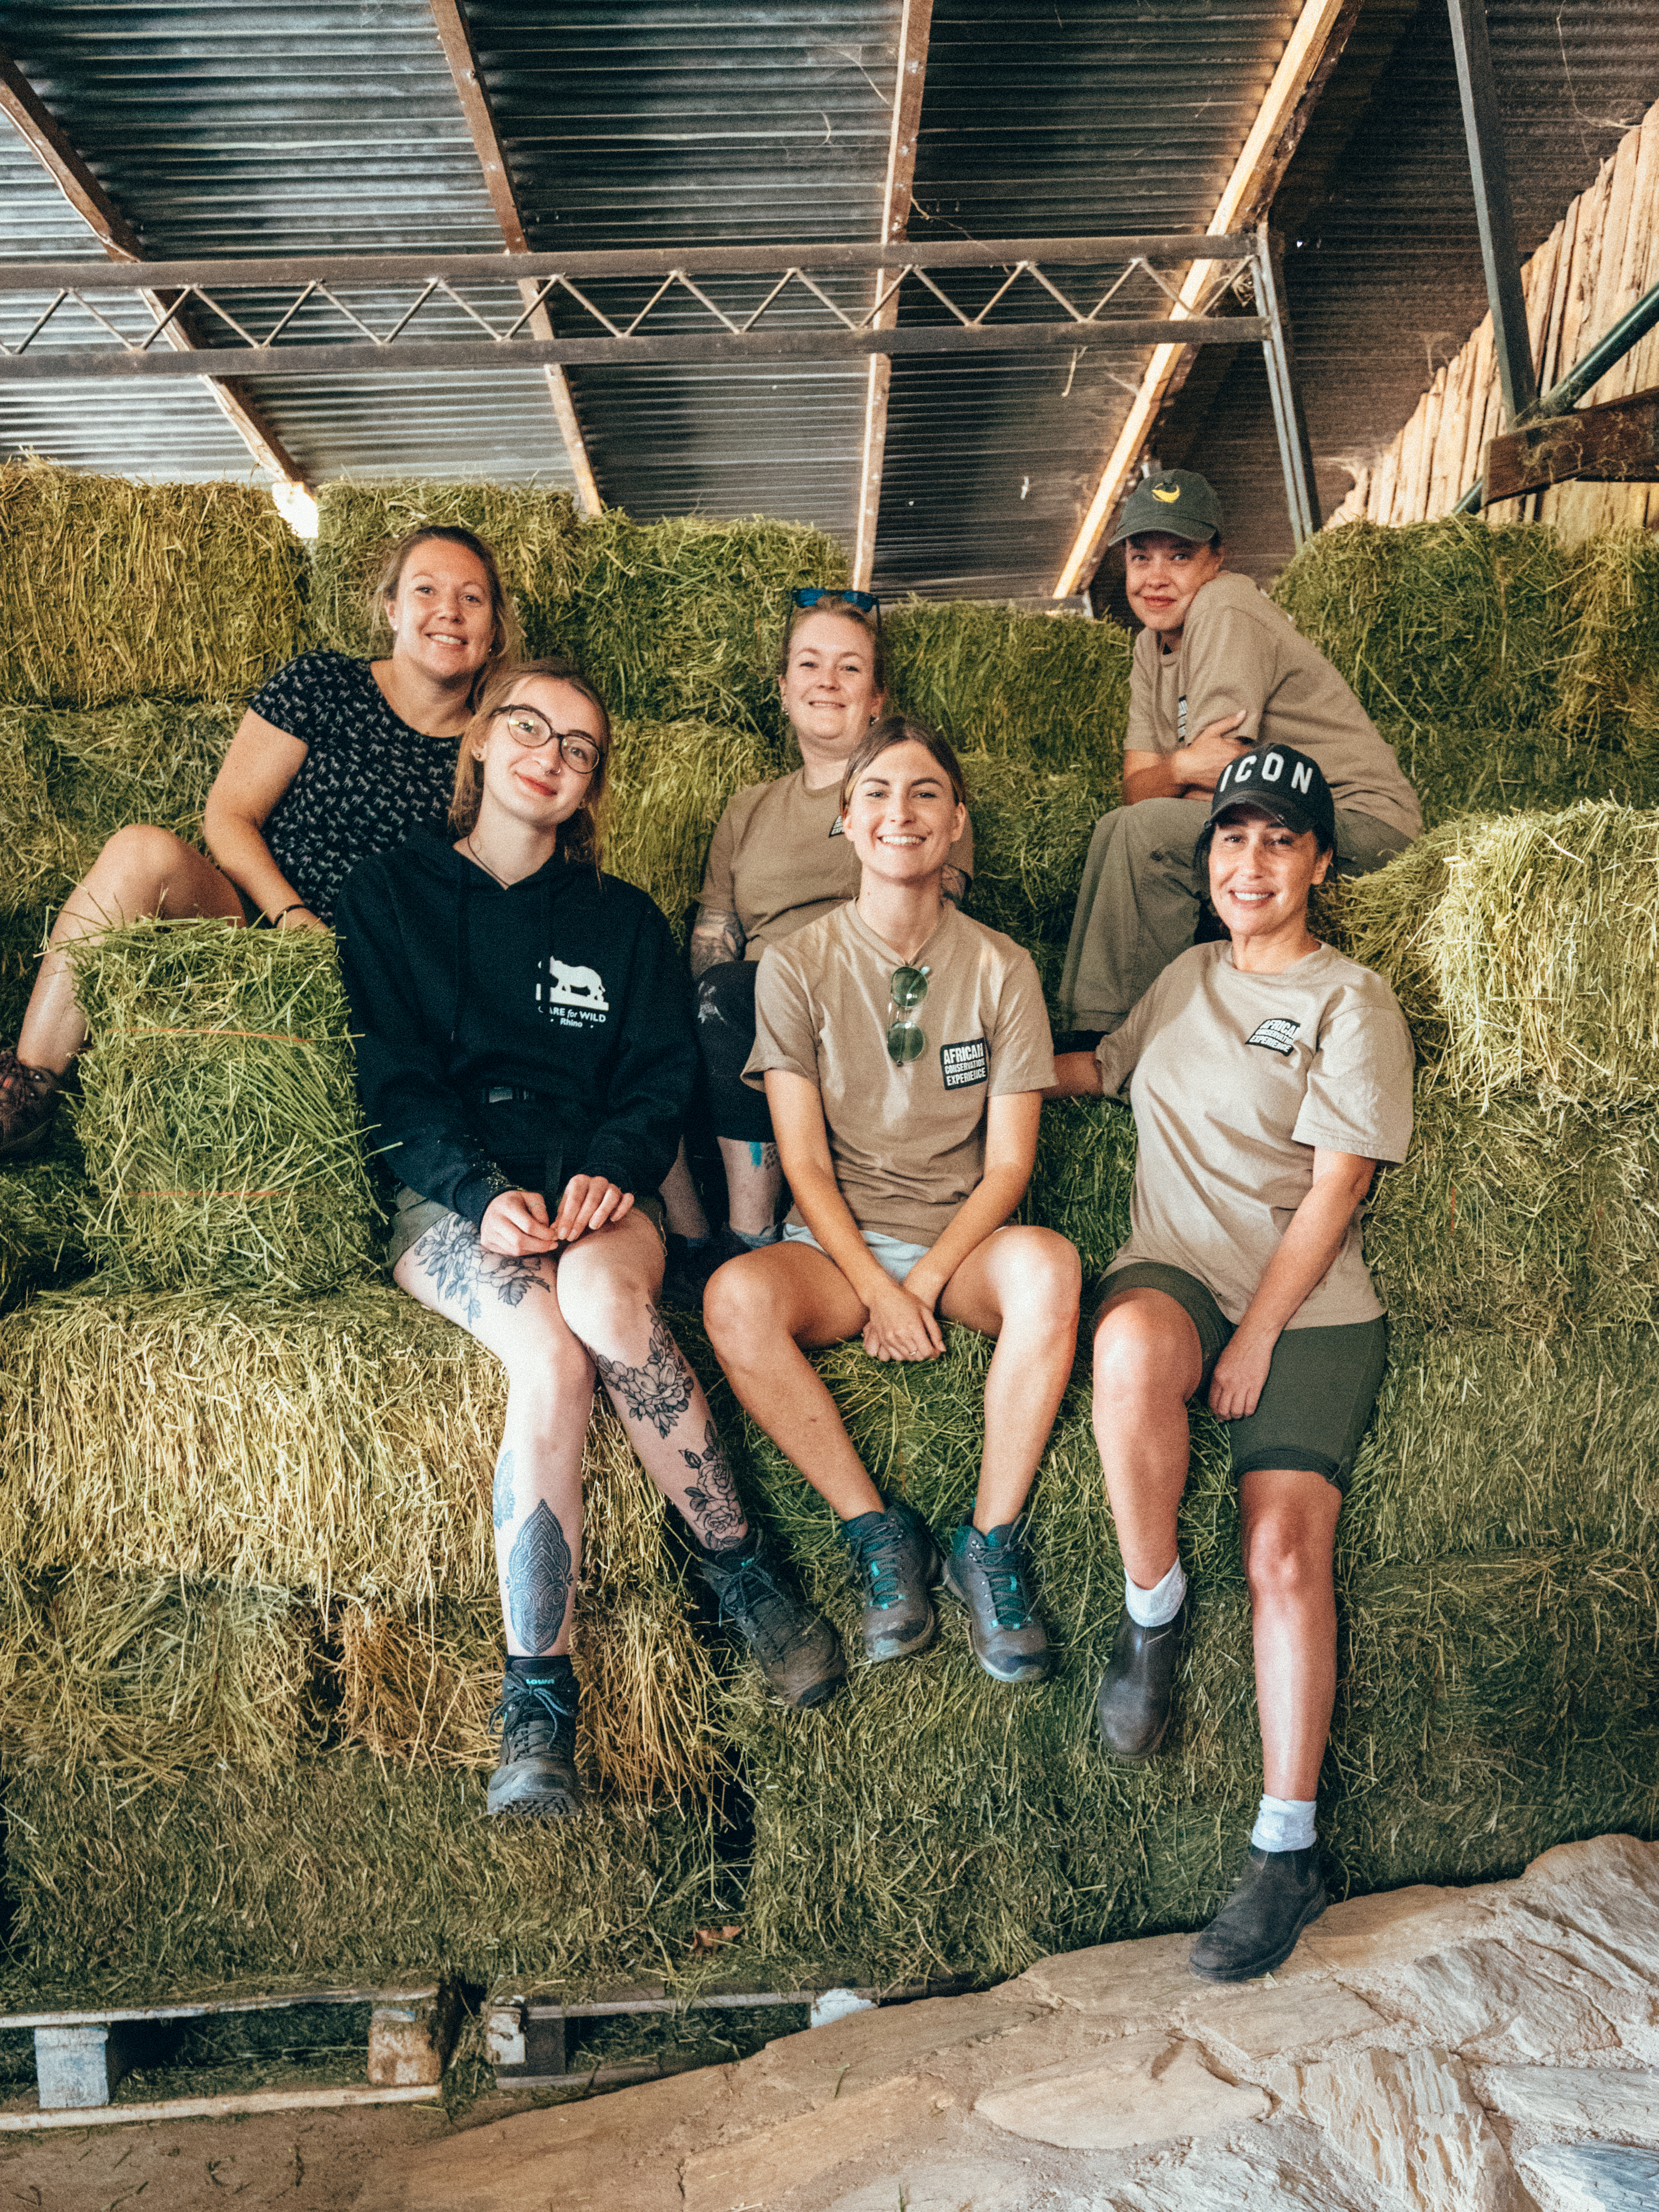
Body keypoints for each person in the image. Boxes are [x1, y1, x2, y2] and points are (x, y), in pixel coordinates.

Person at [334, 657, 843, 1819]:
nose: (549, 757)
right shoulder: (389, 898)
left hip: (600, 1194)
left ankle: (742, 1571)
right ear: (478, 744)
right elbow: (392, 1080)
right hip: (455, 1200)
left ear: (591, 786)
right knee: (549, 1355)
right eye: (529, 728)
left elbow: (661, 1074)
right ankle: (538, 1698)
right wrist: (475, 1194)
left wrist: (613, 1174)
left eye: (577, 749)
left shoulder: (621, 924)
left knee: (612, 1312)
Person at [1052, 741, 1414, 1981]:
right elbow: (1097, 1070)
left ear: (1318, 861)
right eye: (1229, 839)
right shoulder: (1186, 976)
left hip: (1309, 1307)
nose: (1248, 861)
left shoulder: (1346, 999)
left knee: (1281, 1552)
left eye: (1276, 839)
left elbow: (1339, 1186)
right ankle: (1152, 1610)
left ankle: (1286, 1846)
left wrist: (1258, 1332)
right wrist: (960, 1063)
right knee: (1128, 1342)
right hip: (1178, 1271)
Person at [704, 717, 1079, 1686]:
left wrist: (928, 1281)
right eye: (875, 792)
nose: (898, 811)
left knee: (1051, 1267)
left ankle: (986, 1545)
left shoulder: (1002, 968)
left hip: (959, 1238)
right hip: (836, 1250)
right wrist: (875, 1289)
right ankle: (878, 1534)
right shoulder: (797, 964)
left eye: (922, 794)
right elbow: (804, 1163)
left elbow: (1007, 1171)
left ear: (956, 823)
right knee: (733, 1299)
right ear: (845, 820)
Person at [0, 524, 515, 1159]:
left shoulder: (497, 747)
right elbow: (230, 815)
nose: (448, 611)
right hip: (251, 923)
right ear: (391, 608)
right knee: (139, 851)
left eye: (472, 598)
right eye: (426, 589)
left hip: (379, 978)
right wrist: (293, 917)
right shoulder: (323, 684)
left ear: (493, 628)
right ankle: (27, 1094)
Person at [659, 590, 975, 1298]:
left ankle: (749, 1235)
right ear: (783, 689)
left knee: (741, 989)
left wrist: (764, 989)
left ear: (876, 697)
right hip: (746, 1003)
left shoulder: (913, 796)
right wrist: (695, 1027)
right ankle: (684, 1232)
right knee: (668, 1011)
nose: (826, 680)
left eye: (849, 667)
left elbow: (929, 925)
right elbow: (716, 936)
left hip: (864, 999)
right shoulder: (749, 807)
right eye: (809, 663)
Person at [1058, 470, 1421, 1039]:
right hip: (1274, 823)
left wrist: (1177, 778)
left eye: (1178, 557)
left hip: (1356, 827)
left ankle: (1116, 1042)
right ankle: (1094, 1027)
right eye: (1139, 557)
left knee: (1147, 833)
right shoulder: (1149, 646)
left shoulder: (1224, 606)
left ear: (1217, 558)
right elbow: (1136, 786)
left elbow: (1221, 791)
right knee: (1118, 826)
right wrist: (1178, 766)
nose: (1154, 578)